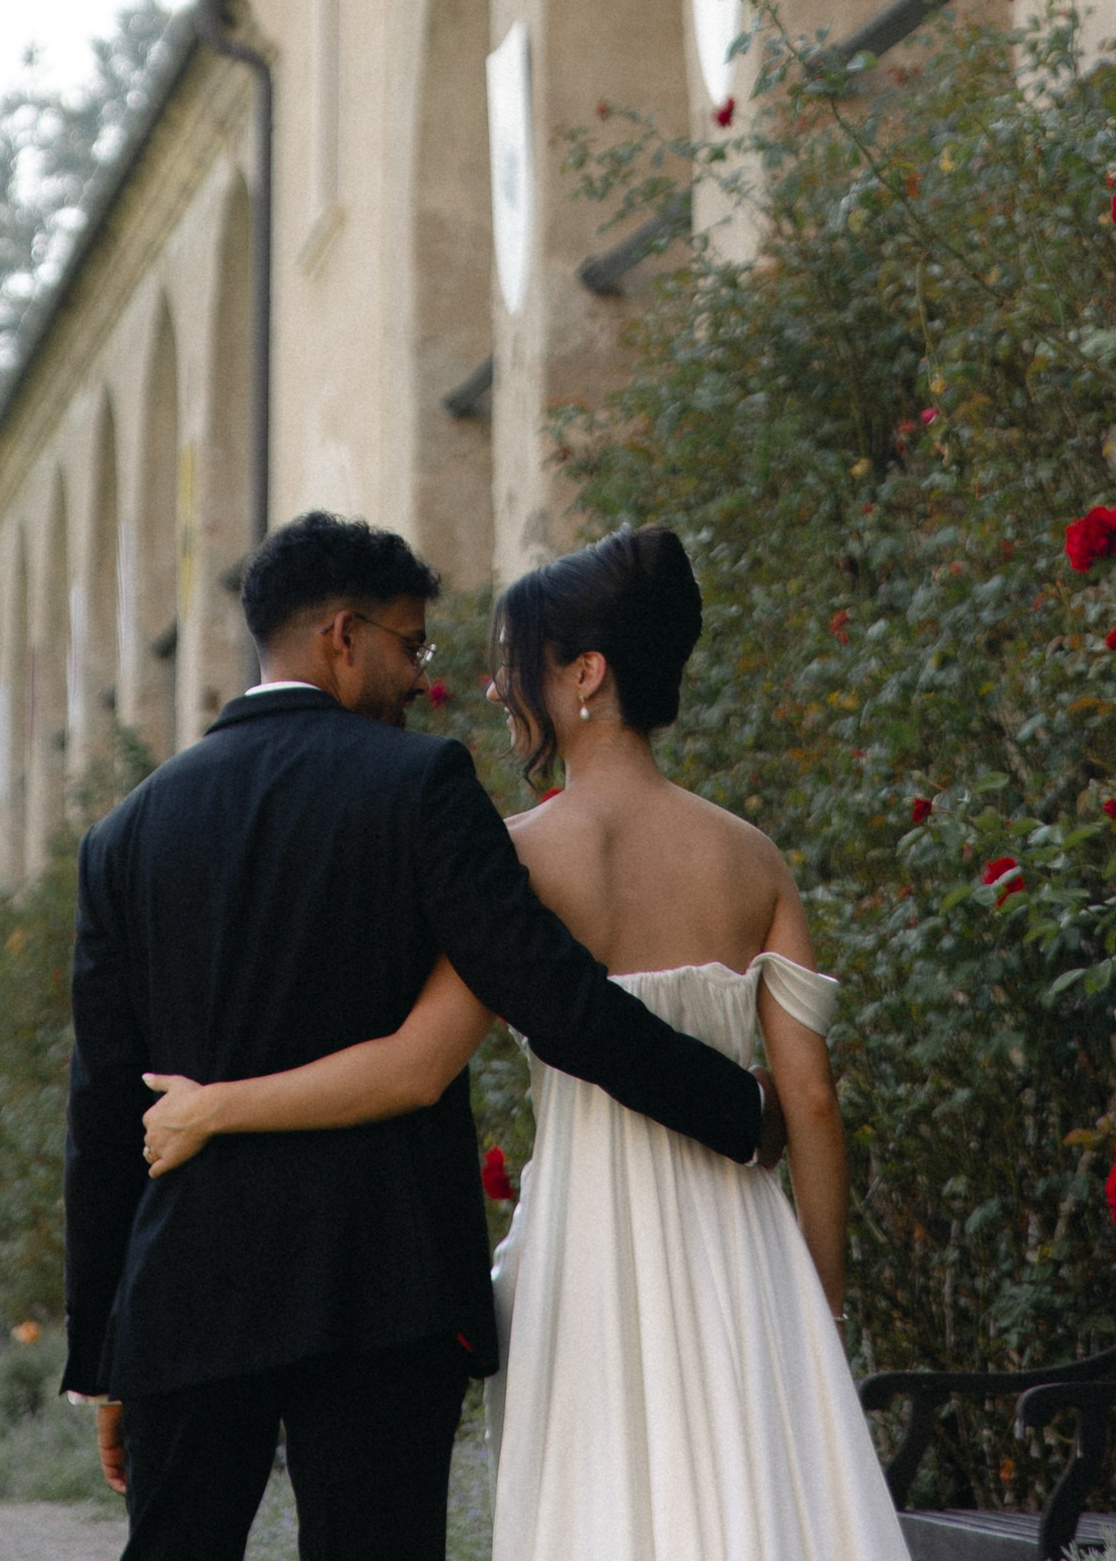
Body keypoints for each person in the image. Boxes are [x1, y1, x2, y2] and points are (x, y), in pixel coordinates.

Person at [139, 524, 910, 1561]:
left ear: (584, 674)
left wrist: (215, 1105)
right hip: (743, 1250)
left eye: (516, 664)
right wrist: (818, 1299)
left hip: (586, 1255)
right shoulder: (752, 858)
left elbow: (416, 1065)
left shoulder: (522, 857)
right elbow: (809, 1104)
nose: (497, 688)